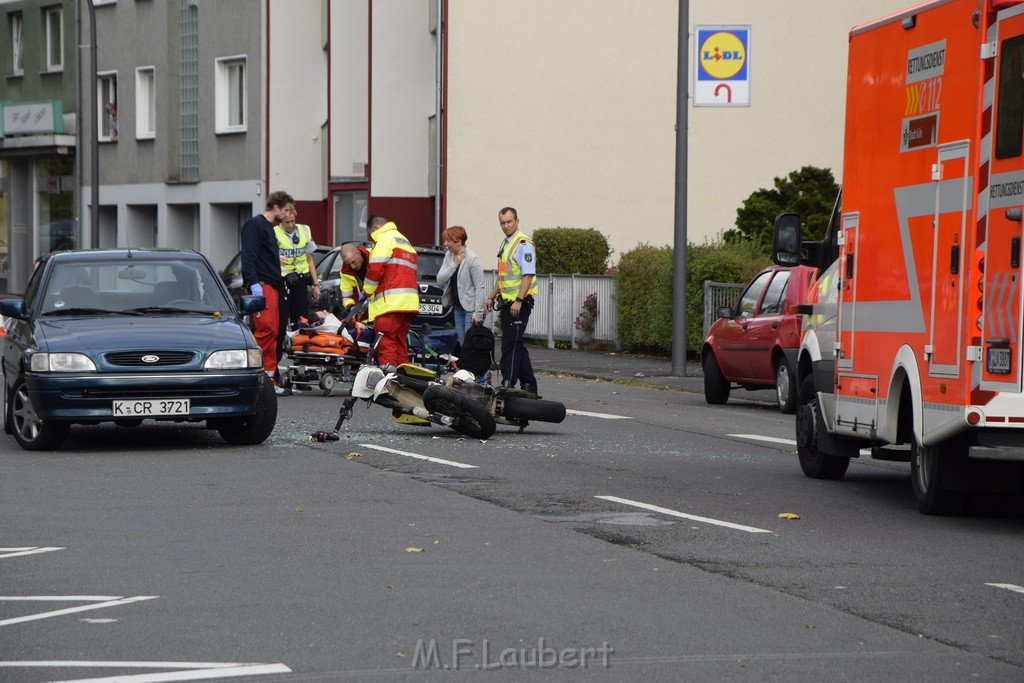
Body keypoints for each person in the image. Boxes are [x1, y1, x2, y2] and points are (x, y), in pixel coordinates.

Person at [240, 190, 293, 394]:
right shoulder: (256, 225)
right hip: (262, 286)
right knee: (266, 332)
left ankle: (268, 379)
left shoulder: (268, 228)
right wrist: (254, 285)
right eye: (286, 210)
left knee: (273, 333)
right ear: (276, 207)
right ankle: (256, 376)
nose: (288, 215)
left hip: (271, 286)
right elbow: (249, 257)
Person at [484, 206, 538, 394]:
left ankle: (508, 383)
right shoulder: (506, 244)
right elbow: (503, 277)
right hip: (508, 302)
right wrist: (491, 297)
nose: (506, 225)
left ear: (517, 221)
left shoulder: (523, 244)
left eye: (509, 222)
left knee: (509, 344)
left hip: (520, 302)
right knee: (515, 343)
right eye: (502, 223)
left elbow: (527, 275)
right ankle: (529, 384)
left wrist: (519, 300)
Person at [362, 215, 418, 368]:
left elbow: (375, 269)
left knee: (386, 342)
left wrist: (366, 291)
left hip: (390, 304)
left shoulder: (384, 239)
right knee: (400, 344)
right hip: (408, 303)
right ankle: (404, 381)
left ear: (375, 228)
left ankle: (389, 382)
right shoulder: (405, 241)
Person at [275, 203, 321, 337]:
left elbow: (309, 259)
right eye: (286, 222)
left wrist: (316, 284)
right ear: (280, 221)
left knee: (301, 318)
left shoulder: (305, 230)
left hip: (300, 280)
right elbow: (266, 258)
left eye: (293, 221)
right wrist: (276, 258)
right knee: (281, 318)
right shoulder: (274, 233)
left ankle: (300, 345)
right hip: (283, 281)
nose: (290, 225)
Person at [436, 225, 486, 344]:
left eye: (448, 240)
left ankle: (472, 364)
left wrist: (478, 313)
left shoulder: (472, 259)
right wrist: (454, 264)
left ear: (458, 242)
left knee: (470, 345)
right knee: (463, 345)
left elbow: (480, 287)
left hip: (471, 310)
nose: (445, 243)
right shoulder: (449, 256)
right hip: (457, 308)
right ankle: (465, 363)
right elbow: (440, 279)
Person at [339, 241, 370, 315]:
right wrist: (351, 307)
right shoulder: (345, 272)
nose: (352, 266)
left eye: (353, 262)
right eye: (348, 264)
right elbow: (346, 297)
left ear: (358, 253)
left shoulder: (375, 258)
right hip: (364, 313)